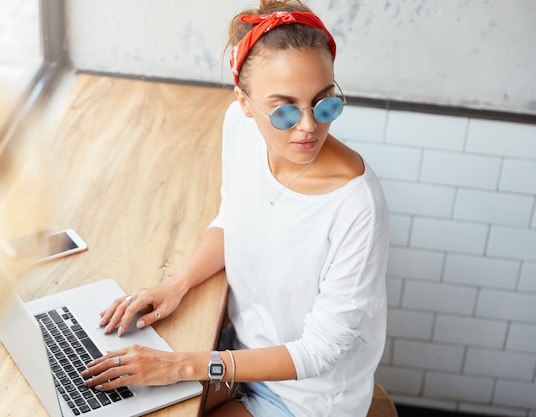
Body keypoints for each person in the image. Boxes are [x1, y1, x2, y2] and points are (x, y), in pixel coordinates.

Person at [80, 1, 389, 416]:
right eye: (283, 110)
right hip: (237, 354)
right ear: (244, 101)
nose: (308, 126)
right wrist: (177, 285)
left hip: (308, 397)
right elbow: (233, 219)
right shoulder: (239, 127)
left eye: (324, 102)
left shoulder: (357, 204)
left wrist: (182, 365)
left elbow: (320, 351)